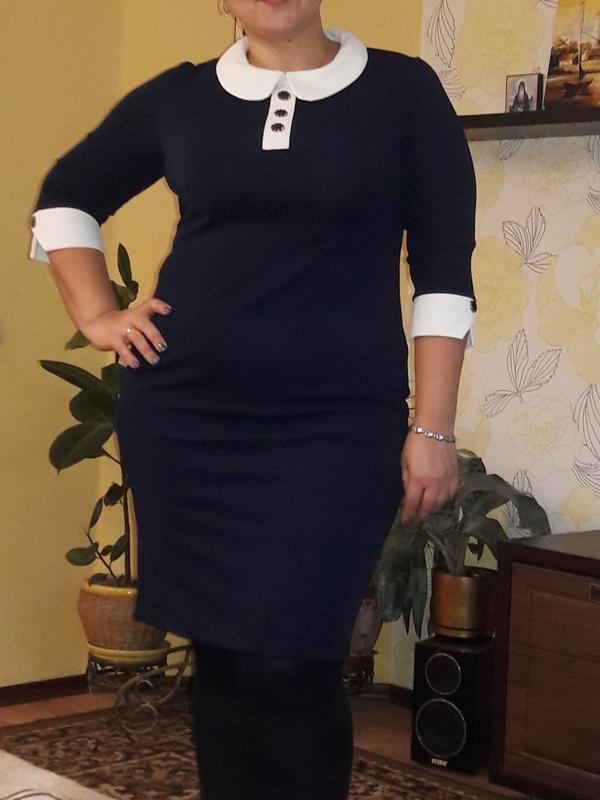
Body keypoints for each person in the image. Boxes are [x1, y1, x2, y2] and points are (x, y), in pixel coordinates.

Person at [28, 1, 476, 798]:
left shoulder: (402, 94)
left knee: (292, 659)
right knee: (225, 656)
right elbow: (66, 197)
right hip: (187, 417)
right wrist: (98, 317)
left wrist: (433, 427)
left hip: (335, 423)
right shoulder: (181, 98)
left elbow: (444, 269)